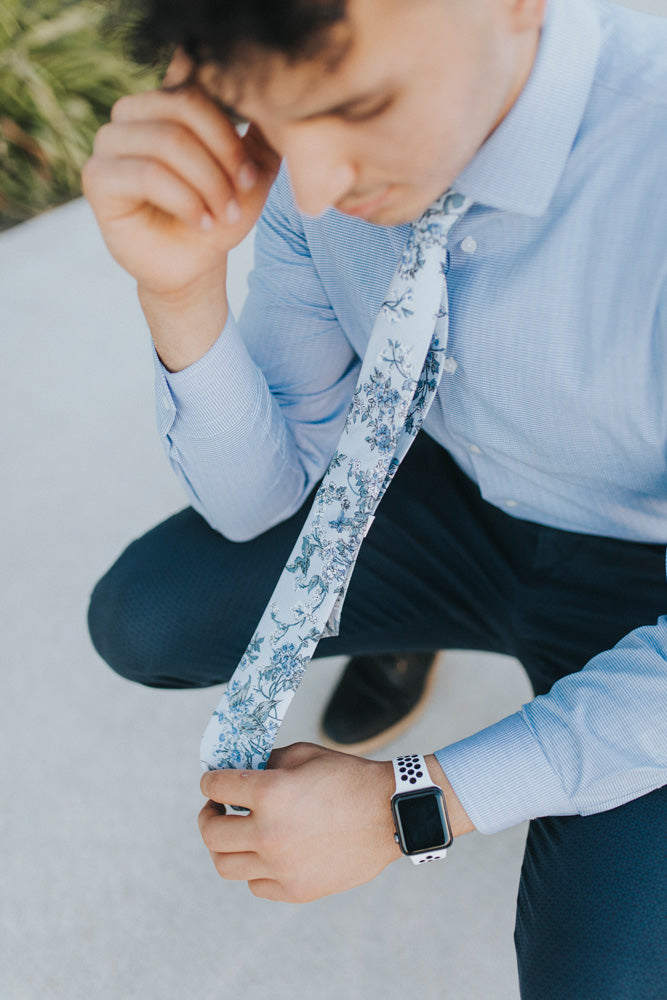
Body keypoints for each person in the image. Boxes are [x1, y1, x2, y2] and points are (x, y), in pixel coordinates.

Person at [82, 0, 667, 995]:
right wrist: (179, 292)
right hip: (444, 483)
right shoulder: (312, 158)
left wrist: (415, 802)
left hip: (646, 584)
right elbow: (263, 497)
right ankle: (421, 625)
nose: (312, 184)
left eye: (363, 104)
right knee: (149, 616)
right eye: (277, 123)